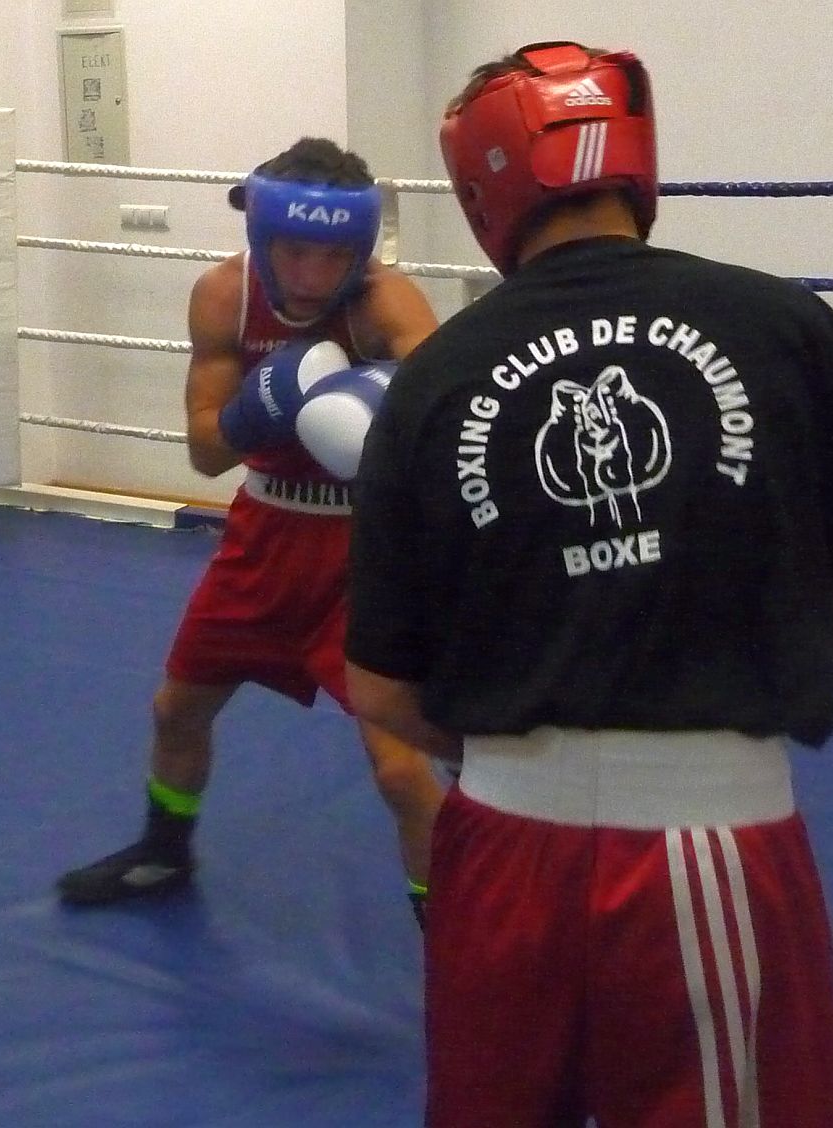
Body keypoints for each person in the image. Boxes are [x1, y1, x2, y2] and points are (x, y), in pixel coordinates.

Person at [344, 42, 833, 1127]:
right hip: (709, 851)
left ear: (484, 185)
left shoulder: (433, 378)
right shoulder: (790, 331)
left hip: (494, 850)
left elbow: (379, 688)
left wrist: (539, 756)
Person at [57, 137, 446, 926]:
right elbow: (206, 453)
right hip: (261, 539)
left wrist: (383, 401)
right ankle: (165, 849)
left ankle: (448, 919)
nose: (309, 275)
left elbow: (448, 413)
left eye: (332, 256)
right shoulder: (223, 296)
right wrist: (261, 408)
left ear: (360, 249)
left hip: (364, 554)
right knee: (177, 710)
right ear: (261, 236)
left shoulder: (384, 301)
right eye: (292, 251)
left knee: (402, 771)